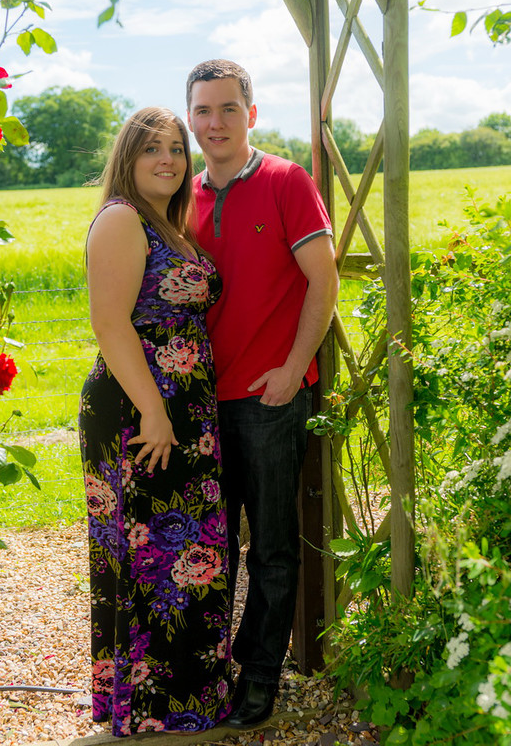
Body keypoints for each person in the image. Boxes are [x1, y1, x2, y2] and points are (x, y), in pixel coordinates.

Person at [186, 60, 339, 728]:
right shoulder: (180, 193)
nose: (214, 123)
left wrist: (293, 367)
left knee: (271, 546)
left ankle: (260, 678)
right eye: (202, 110)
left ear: (251, 113)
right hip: (200, 403)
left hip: (270, 399)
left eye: (226, 108)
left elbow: (323, 280)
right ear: (189, 117)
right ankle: (215, 665)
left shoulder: (285, 181)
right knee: (208, 544)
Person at [78, 107, 233, 737]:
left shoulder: (167, 225)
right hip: (138, 413)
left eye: (175, 148)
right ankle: (145, 713)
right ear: (128, 158)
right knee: (147, 554)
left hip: (180, 413)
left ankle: (186, 703)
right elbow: (111, 323)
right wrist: (152, 410)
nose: (168, 159)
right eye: (152, 150)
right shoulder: (120, 219)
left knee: (190, 557)